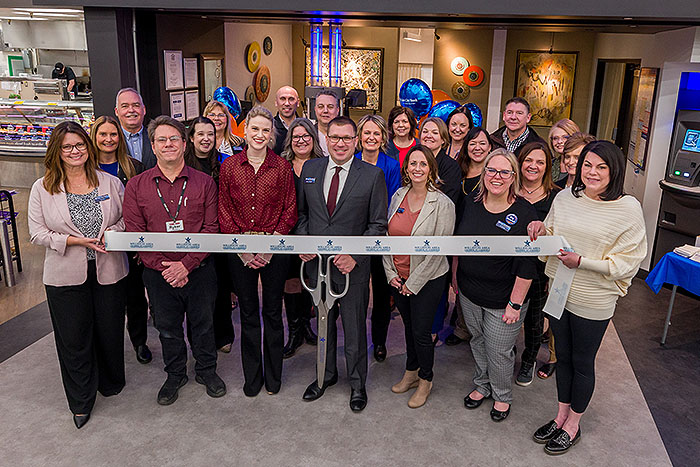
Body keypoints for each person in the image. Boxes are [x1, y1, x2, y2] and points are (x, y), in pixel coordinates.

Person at [528, 140, 647, 455]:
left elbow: (627, 263)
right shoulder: (567, 196)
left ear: (614, 171)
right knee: (562, 357)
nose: (592, 172)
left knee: (582, 362)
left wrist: (582, 262)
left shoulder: (628, 208)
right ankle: (559, 415)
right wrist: (540, 227)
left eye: (601, 167)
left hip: (593, 299)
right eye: (587, 165)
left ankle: (573, 424)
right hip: (559, 293)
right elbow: (553, 234)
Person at [28, 121, 128, 429]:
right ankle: (81, 400)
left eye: (80, 145)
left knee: (109, 330)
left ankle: (110, 382)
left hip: (109, 270)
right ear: (56, 152)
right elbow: (36, 233)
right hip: (64, 274)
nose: (75, 151)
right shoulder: (42, 188)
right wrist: (73, 241)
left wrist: (113, 232)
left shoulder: (109, 183)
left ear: (89, 147)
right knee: (74, 338)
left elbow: (126, 219)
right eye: (68, 147)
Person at [123, 115, 225, 406]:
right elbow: (135, 233)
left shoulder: (204, 183)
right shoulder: (137, 186)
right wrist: (166, 268)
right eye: (161, 140)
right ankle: (176, 374)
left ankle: (207, 371)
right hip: (158, 274)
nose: (168, 144)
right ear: (153, 146)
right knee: (167, 327)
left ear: (185, 144)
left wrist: (187, 265)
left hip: (200, 270)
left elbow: (211, 228)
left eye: (174, 139)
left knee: (203, 325)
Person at [297, 116, 388, 412]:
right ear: (326, 139)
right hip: (317, 266)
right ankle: (324, 376)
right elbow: (302, 215)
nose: (340, 143)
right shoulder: (310, 169)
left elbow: (377, 225)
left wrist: (356, 256)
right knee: (323, 324)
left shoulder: (372, 175)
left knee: (354, 328)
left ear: (356, 140)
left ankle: (358, 384)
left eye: (347, 138)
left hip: (352, 269)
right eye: (334, 137)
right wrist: (304, 243)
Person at [219, 106, 297, 396]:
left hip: (273, 249)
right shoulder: (229, 166)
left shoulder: (282, 167)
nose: (260, 135)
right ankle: (252, 378)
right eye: (255, 129)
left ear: (271, 134)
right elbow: (224, 209)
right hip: (240, 250)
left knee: (274, 314)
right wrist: (243, 251)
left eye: (266, 130)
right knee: (249, 314)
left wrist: (269, 248)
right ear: (245, 130)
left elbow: (290, 210)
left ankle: (274, 377)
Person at [456, 148, 538, 422]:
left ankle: (502, 395)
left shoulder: (525, 213)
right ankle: (482, 384)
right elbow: (459, 244)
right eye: (491, 170)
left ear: (513, 176)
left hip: (504, 299)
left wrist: (515, 304)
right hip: (469, 292)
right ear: (484, 173)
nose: (497, 176)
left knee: (499, 350)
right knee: (477, 341)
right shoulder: (472, 202)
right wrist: (456, 281)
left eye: (504, 172)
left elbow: (527, 266)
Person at [384, 145, 455, 408]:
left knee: (422, 333)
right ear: (406, 168)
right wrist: (391, 273)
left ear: (431, 170)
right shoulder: (398, 196)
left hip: (428, 279)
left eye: (423, 164)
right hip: (398, 278)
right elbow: (386, 237)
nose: (417, 168)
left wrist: (413, 283)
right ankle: (411, 372)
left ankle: (426, 379)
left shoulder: (442, 204)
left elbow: (439, 251)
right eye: (412, 163)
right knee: (409, 329)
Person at [90, 115, 152, 365]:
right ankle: (107, 345)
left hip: (129, 242)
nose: (108, 139)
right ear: (94, 137)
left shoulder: (133, 167)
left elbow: (142, 207)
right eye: (103, 134)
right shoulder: (86, 168)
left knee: (135, 296)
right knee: (106, 297)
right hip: (95, 243)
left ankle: (140, 342)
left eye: (113, 134)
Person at [183, 116, 236, 354]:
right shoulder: (183, 165)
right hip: (194, 236)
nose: (206, 139)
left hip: (221, 235)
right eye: (200, 134)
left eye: (210, 134)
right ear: (191, 138)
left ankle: (223, 335)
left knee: (222, 288)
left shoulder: (225, 162)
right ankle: (199, 341)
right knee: (197, 296)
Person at [444, 126, 499, 347]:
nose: (477, 147)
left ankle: (487, 331)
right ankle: (463, 328)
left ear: (489, 147)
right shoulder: (458, 169)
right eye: (472, 143)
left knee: (483, 279)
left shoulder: (494, 172)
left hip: (486, 233)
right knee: (459, 279)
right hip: (459, 230)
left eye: (482, 143)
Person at [355, 114, 401, 362]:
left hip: (381, 238)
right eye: (367, 133)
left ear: (383, 137)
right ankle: (357, 339)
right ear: (359, 137)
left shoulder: (391, 165)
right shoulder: (350, 161)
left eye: (376, 133)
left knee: (382, 295)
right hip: (355, 238)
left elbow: (393, 202)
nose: (371, 138)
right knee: (357, 292)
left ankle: (379, 341)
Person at [514, 141, 560, 387]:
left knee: (534, 321)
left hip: (540, 271)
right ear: (520, 163)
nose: (533, 166)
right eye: (528, 160)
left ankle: (528, 361)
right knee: (506, 316)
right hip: (508, 268)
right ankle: (505, 355)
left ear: (547, 167)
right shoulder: (508, 189)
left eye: (540, 162)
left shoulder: (557, 196)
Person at [280, 118, 323, 358]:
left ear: (313, 139)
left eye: (306, 135)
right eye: (296, 136)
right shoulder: (282, 165)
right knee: (291, 282)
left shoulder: (322, 165)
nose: (301, 140)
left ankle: (307, 325)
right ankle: (294, 330)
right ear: (290, 140)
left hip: (313, 234)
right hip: (286, 234)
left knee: (310, 280)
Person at [418, 117, 461, 342]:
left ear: (444, 139)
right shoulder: (416, 160)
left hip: (439, 232)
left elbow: (450, 202)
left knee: (437, 283)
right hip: (415, 231)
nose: (429, 135)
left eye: (435, 133)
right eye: (425, 131)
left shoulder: (451, 167)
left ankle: (434, 328)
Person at [114, 87, 156, 169]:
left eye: (136, 105)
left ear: (144, 110)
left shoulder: (155, 136)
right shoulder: (112, 141)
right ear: (117, 112)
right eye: (125, 106)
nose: (131, 110)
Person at [272, 86, 300, 155]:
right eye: (282, 99)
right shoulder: (269, 127)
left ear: (298, 102)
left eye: (291, 99)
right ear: (276, 102)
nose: (287, 103)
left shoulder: (306, 128)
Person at [313, 91, 340, 157]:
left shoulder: (346, 135)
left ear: (337, 110)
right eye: (320, 107)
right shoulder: (308, 134)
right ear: (315, 109)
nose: (325, 111)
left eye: (330, 107)